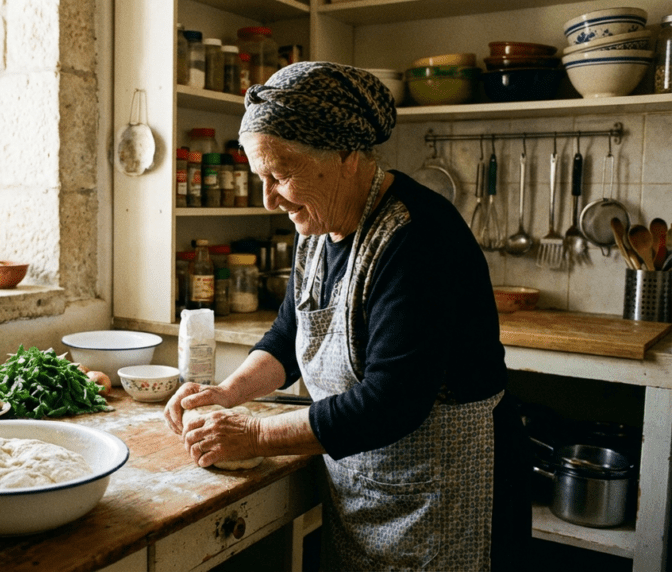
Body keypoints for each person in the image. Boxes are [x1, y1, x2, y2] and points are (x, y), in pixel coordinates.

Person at [163, 62, 530, 571]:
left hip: (443, 491)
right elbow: (292, 330)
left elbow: (391, 402)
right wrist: (228, 392)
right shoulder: (315, 220)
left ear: (346, 156)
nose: (269, 199)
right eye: (259, 177)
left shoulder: (418, 237)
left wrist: (254, 436)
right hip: (368, 482)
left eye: (281, 173)